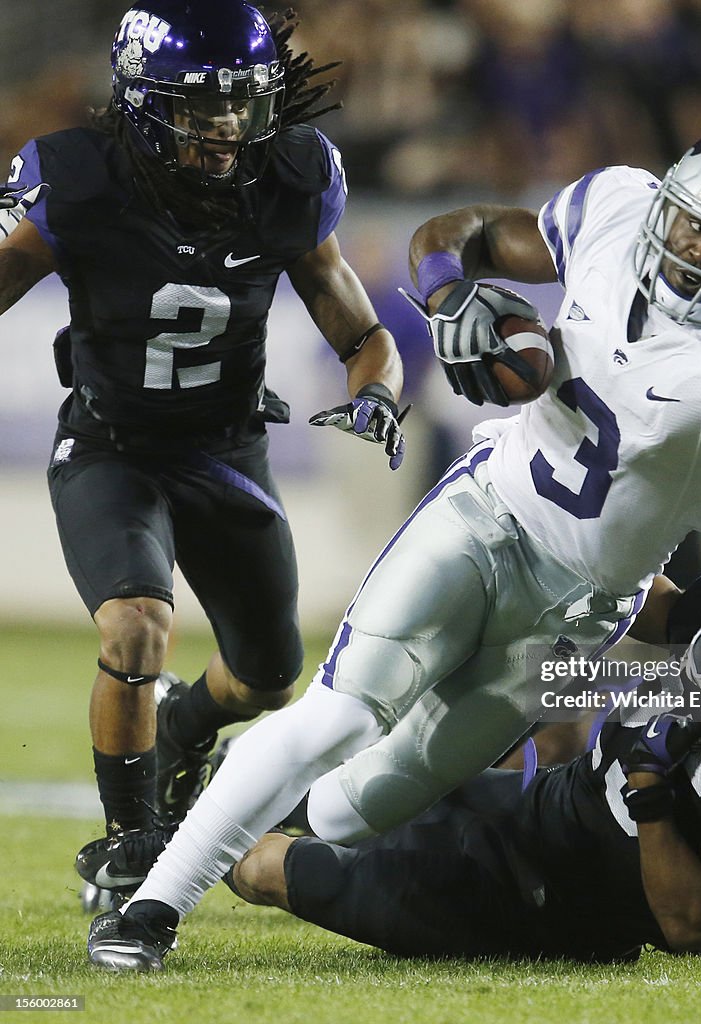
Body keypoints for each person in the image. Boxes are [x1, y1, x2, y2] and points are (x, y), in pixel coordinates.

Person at [83, 124, 701, 962]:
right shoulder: (615, 212)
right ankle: (149, 912)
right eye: (692, 220)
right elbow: (456, 232)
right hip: (485, 519)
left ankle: (168, 815)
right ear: (670, 196)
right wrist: (447, 297)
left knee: (360, 803)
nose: (696, 248)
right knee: (337, 717)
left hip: (581, 612)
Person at [0, 0, 406, 904]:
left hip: (229, 449)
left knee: (269, 677)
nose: (227, 128)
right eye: (201, 106)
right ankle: (130, 843)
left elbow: (364, 334)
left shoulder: (290, 178)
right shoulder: (78, 180)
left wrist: (375, 394)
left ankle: (185, 723)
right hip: (113, 444)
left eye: (242, 102)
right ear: (145, 103)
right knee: (136, 622)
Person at [86, 552, 701, 966]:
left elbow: (689, 925)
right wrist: (526, 691)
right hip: (539, 803)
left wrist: (647, 791)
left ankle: (151, 860)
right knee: (349, 782)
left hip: (554, 900)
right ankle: (152, 829)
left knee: (269, 868)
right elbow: (622, 631)